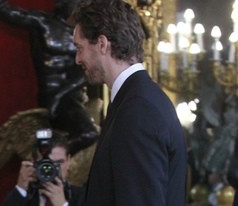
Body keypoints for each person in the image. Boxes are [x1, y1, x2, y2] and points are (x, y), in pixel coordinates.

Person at [69, 0, 187, 205]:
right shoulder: (136, 100)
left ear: (102, 44)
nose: (78, 59)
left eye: (80, 48)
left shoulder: (138, 110)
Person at [0, 0, 99, 154]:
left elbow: (85, 73)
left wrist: (59, 97)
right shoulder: (42, 22)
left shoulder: (85, 33)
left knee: (89, 134)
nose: (77, 8)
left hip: (70, 96)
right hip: (49, 92)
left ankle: (57, 160)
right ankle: (52, 161)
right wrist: (54, 99)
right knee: (55, 138)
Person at [3, 134, 84, 206]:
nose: (52, 169)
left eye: (59, 162)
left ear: (69, 161)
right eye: (47, 163)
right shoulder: (22, 196)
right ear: (34, 162)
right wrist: (21, 188)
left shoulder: (84, 197)